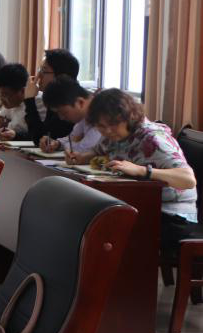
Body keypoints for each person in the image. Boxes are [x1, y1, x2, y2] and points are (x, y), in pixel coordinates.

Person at [74, 89, 198, 259]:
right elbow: (98, 150)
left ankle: (120, 276)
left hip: (172, 216)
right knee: (86, 220)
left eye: (113, 124)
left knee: (104, 232)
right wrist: (81, 157)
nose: (108, 131)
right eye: (101, 127)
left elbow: (188, 179)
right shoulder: (114, 135)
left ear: (128, 117)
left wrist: (142, 170)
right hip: (141, 206)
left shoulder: (153, 139)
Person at [23, 49, 79, 144]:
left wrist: (29, 100)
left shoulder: (70, 102)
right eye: (40, 70)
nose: (38, 76)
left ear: (60, 76)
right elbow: (42, 136)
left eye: (44, 71)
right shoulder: (55, 97)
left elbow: (41, 139)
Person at [37, 77, 103, 156]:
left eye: (63, 112)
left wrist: (73, 143)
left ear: (80, 102)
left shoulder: (102, 113)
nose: (61, 117)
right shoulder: (84, 115)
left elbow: (84, 149)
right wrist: (56, 144)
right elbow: (72, 138)